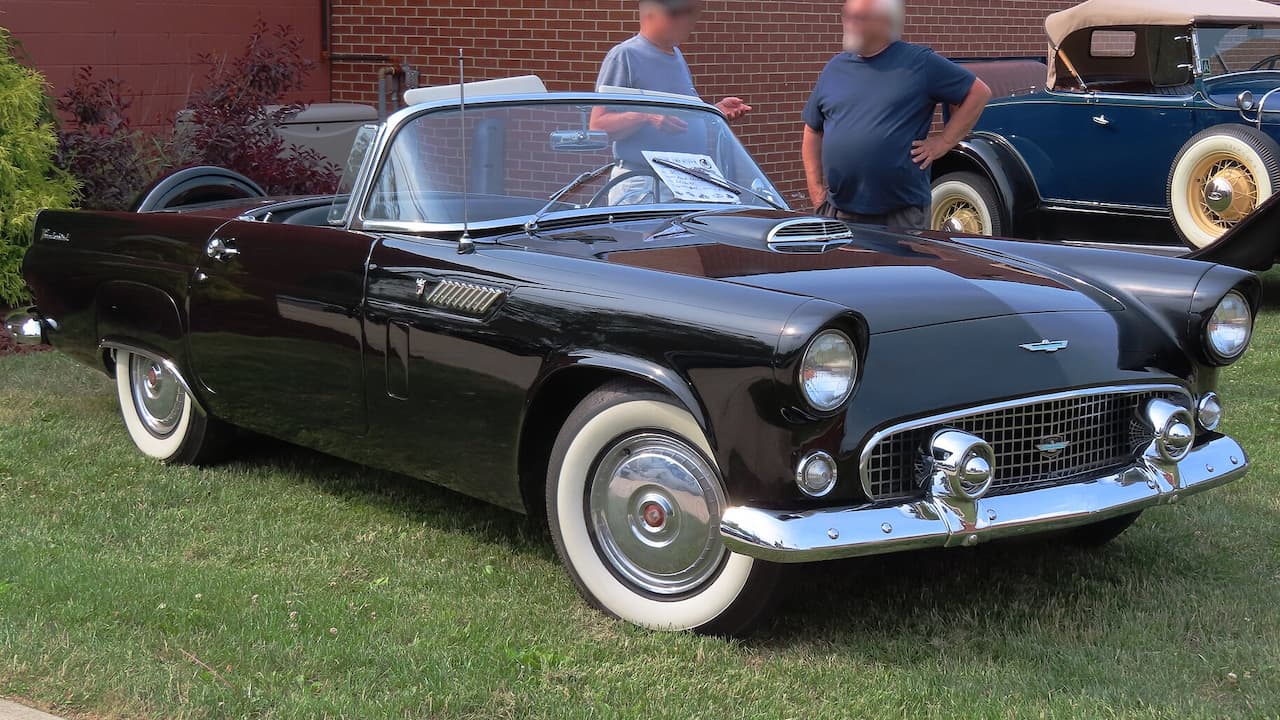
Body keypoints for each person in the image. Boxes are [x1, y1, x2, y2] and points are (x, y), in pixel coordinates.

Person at [802, 0, 992, 228]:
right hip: (839, 213)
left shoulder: (920, 64)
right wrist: (817, 194)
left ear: (884, 23)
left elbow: (978, 93)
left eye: (859, 18)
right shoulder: (835, 68)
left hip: (900, 217)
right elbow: (813, 129)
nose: (848, 23)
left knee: (900, 266)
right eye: (846, 15)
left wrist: (944, 141)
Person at [592, 0, 752, 204]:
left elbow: (679, 114)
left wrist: (714, 111)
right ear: (651, 15)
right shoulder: (625, 55)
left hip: (686, 181)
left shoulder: (676, 56)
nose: (687, 22)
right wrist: (648, 117)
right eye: (677, 14)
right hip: (646, 184)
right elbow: (598, 126)